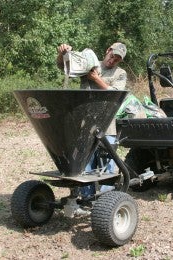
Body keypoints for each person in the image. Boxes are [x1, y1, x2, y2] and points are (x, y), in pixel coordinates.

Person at [56, 42, 128, 198]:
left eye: (117, 59)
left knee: (106, 166)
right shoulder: (89, 63)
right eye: (112, 55)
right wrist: (63, 53)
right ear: (108, 50)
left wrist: (95, 78)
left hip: (107, 127)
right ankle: (86, 198)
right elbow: (65, 67)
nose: (113, 60)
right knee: (85, 164)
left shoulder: (120, 73)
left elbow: (116, 93)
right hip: (85, 124)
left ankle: (106, 201)